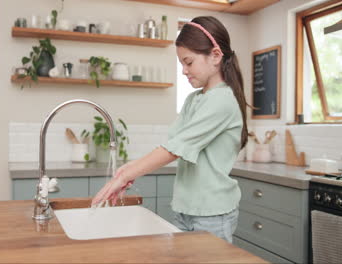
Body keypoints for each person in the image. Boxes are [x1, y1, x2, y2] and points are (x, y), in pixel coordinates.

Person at [91, 16, 249, 243]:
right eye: (182, 64)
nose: (184, 71)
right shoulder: (194, 99)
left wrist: (127, 174)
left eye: (189, 62)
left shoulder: (223, 100)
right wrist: (129, 169)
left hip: (212, 214)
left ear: (215, 56)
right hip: (185, 208)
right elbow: (173, 144)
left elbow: (175, 149)